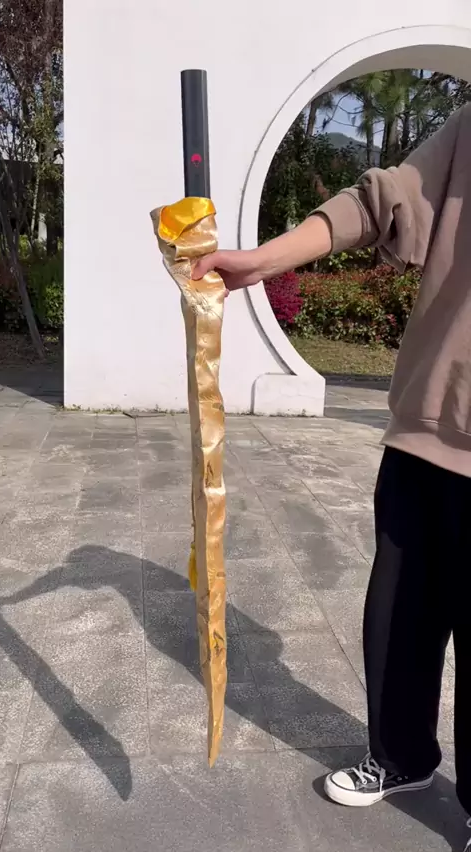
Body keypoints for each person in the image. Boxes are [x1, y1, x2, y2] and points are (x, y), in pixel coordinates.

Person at [193, 102, 471, 850]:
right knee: (400, 613)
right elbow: (383, 199)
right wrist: (260, 262)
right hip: (427, 427)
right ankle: (401, 756)